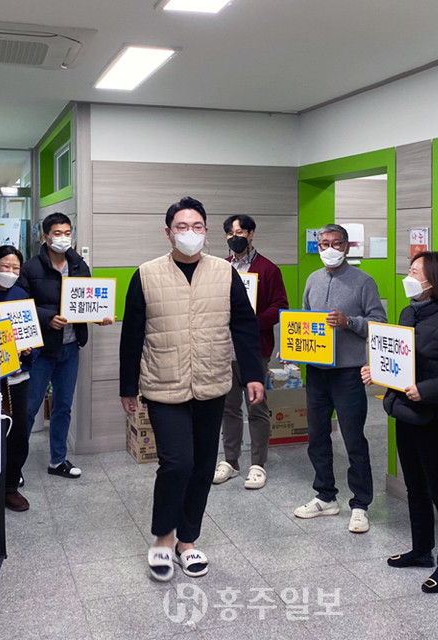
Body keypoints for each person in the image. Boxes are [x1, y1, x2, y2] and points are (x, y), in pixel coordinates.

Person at [119, 196, 264, 582]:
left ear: (206, 231)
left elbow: (244, 325)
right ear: (168, 233)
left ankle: (187, 541)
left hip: (212, 383)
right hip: (162, 384)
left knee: (201, 466)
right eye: (182, 227)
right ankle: (163, 538)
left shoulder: (223, 272)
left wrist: (253, 374)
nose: (190, 233)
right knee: (177, 463)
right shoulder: (146, 274)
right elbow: (132, 335)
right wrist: (127, 386)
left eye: (197, 226)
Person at [360, 251, 438, 593]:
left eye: (414, 272)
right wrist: (378, 371)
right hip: (404, 413)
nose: (408, 278)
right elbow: (399, 359)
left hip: (434, 419)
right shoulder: (408, 312)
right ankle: (422, 549)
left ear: (433, 281)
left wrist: (426, 390)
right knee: (415, 488)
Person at [294, 223, 387, 533]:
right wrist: (294, 349)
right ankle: (325, 496)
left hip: (348, 372)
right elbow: (304, 321)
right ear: (318, 247)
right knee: (317, 436)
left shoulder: (363, 282)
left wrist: (350, 322)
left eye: (335, 243)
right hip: (316, 372)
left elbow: (379, 323)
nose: (329, 249)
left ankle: (360, 504)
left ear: (347, 247)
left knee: (353, 439)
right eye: (324, 244)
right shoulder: (313, 279)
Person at [19, 213, 108, 479]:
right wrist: (48, 318)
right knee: (29, 409)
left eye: (67, 233)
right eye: (57, 233)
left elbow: (88, 302)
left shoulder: (80, 265)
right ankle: (14, 467)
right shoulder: (30, 268)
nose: (63, 238)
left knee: (63, 406)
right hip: (41, 350)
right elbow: (21, 307)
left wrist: (99, 315)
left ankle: (58, 460)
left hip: (70, 349)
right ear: (45, 236)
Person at [213, 214, 288, 489]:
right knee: (228, 408)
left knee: (257, 407)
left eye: (240, 232)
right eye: (230, 233)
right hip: (225, 349)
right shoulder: (220, 268)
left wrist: (251, 323)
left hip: (255, 349)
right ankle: (230, 461)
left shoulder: (268, 269)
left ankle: (258, 464)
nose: (235, 238)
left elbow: (280, 307)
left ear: (251, 234)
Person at [0, 245, 34, 512]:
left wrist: (30, 349)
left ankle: (11, 486)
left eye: (15, 268)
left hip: (18, 378)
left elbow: (30, 333)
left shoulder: (21, 295)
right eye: (5, 267)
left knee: (18, 433)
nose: (10, 272)